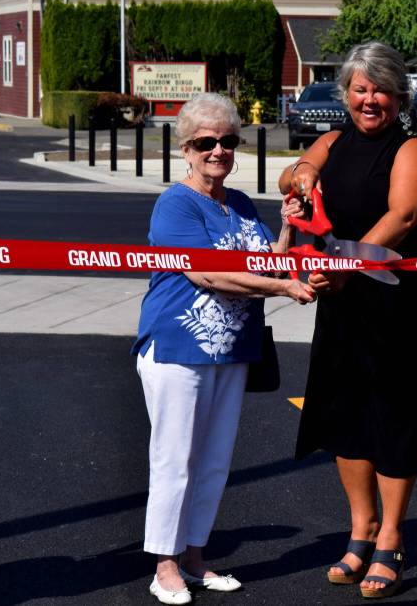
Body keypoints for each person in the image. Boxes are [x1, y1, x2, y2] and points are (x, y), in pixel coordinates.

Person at [132, 93, 316, 605]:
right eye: (206, 142)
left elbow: (269, 263)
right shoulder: (175, 203)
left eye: (228, 141)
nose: (218, 150)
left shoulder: (236, 203)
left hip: (230, 349)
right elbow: (206, 272)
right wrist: (282, 290)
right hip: (177, 345)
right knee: (175, 457)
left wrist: (287, 225)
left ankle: (194, 558)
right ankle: (164, 566)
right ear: (186, 149)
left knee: (213, 460)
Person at [278, 41, 417, 599]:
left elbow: (402, 215)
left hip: (397, 302)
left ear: (398, 95)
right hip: (343, 297)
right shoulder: (332, 140)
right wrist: (301, 179)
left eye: (380, 89)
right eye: (359, 88)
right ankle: (361, 528)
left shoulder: (414, 149)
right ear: (345, 92)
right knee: (344, 413)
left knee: (393, 415)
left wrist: (348, 266)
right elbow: (291, 175)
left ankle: (391, 537)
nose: (369, 99)